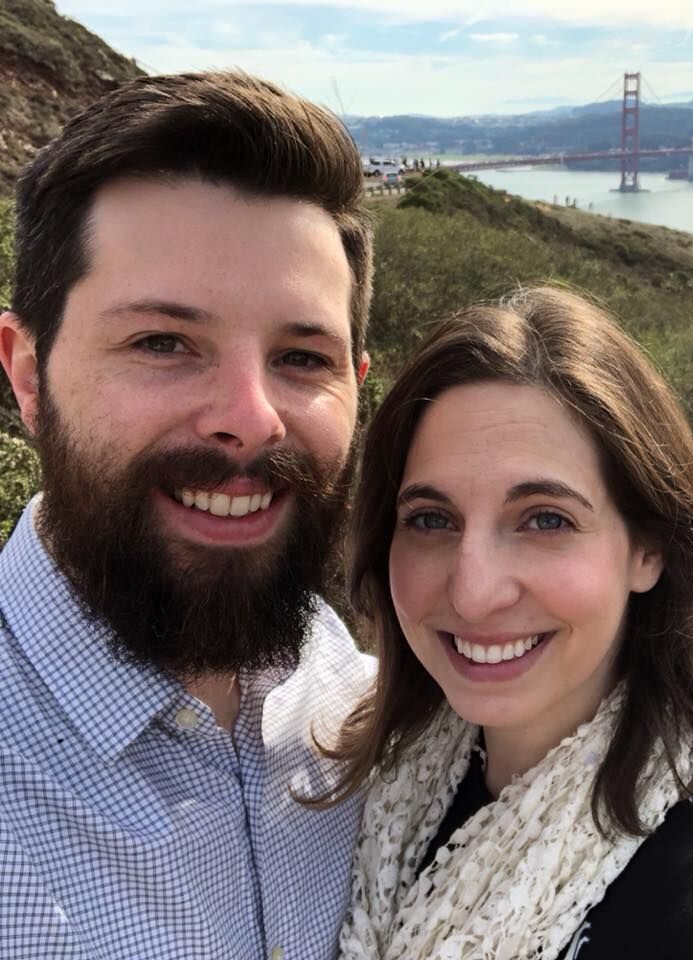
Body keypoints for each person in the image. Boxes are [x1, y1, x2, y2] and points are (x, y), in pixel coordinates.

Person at [0, 71, 374, 959]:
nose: (249, 416)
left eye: (300, 356)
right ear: (26, 373)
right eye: (163, 343)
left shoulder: (374, 709)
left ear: (357, 390)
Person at [329, 286, 693, 959]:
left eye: (545, 520)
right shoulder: (390, 785)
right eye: (431, 520)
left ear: (648, 548)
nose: (473, 593)